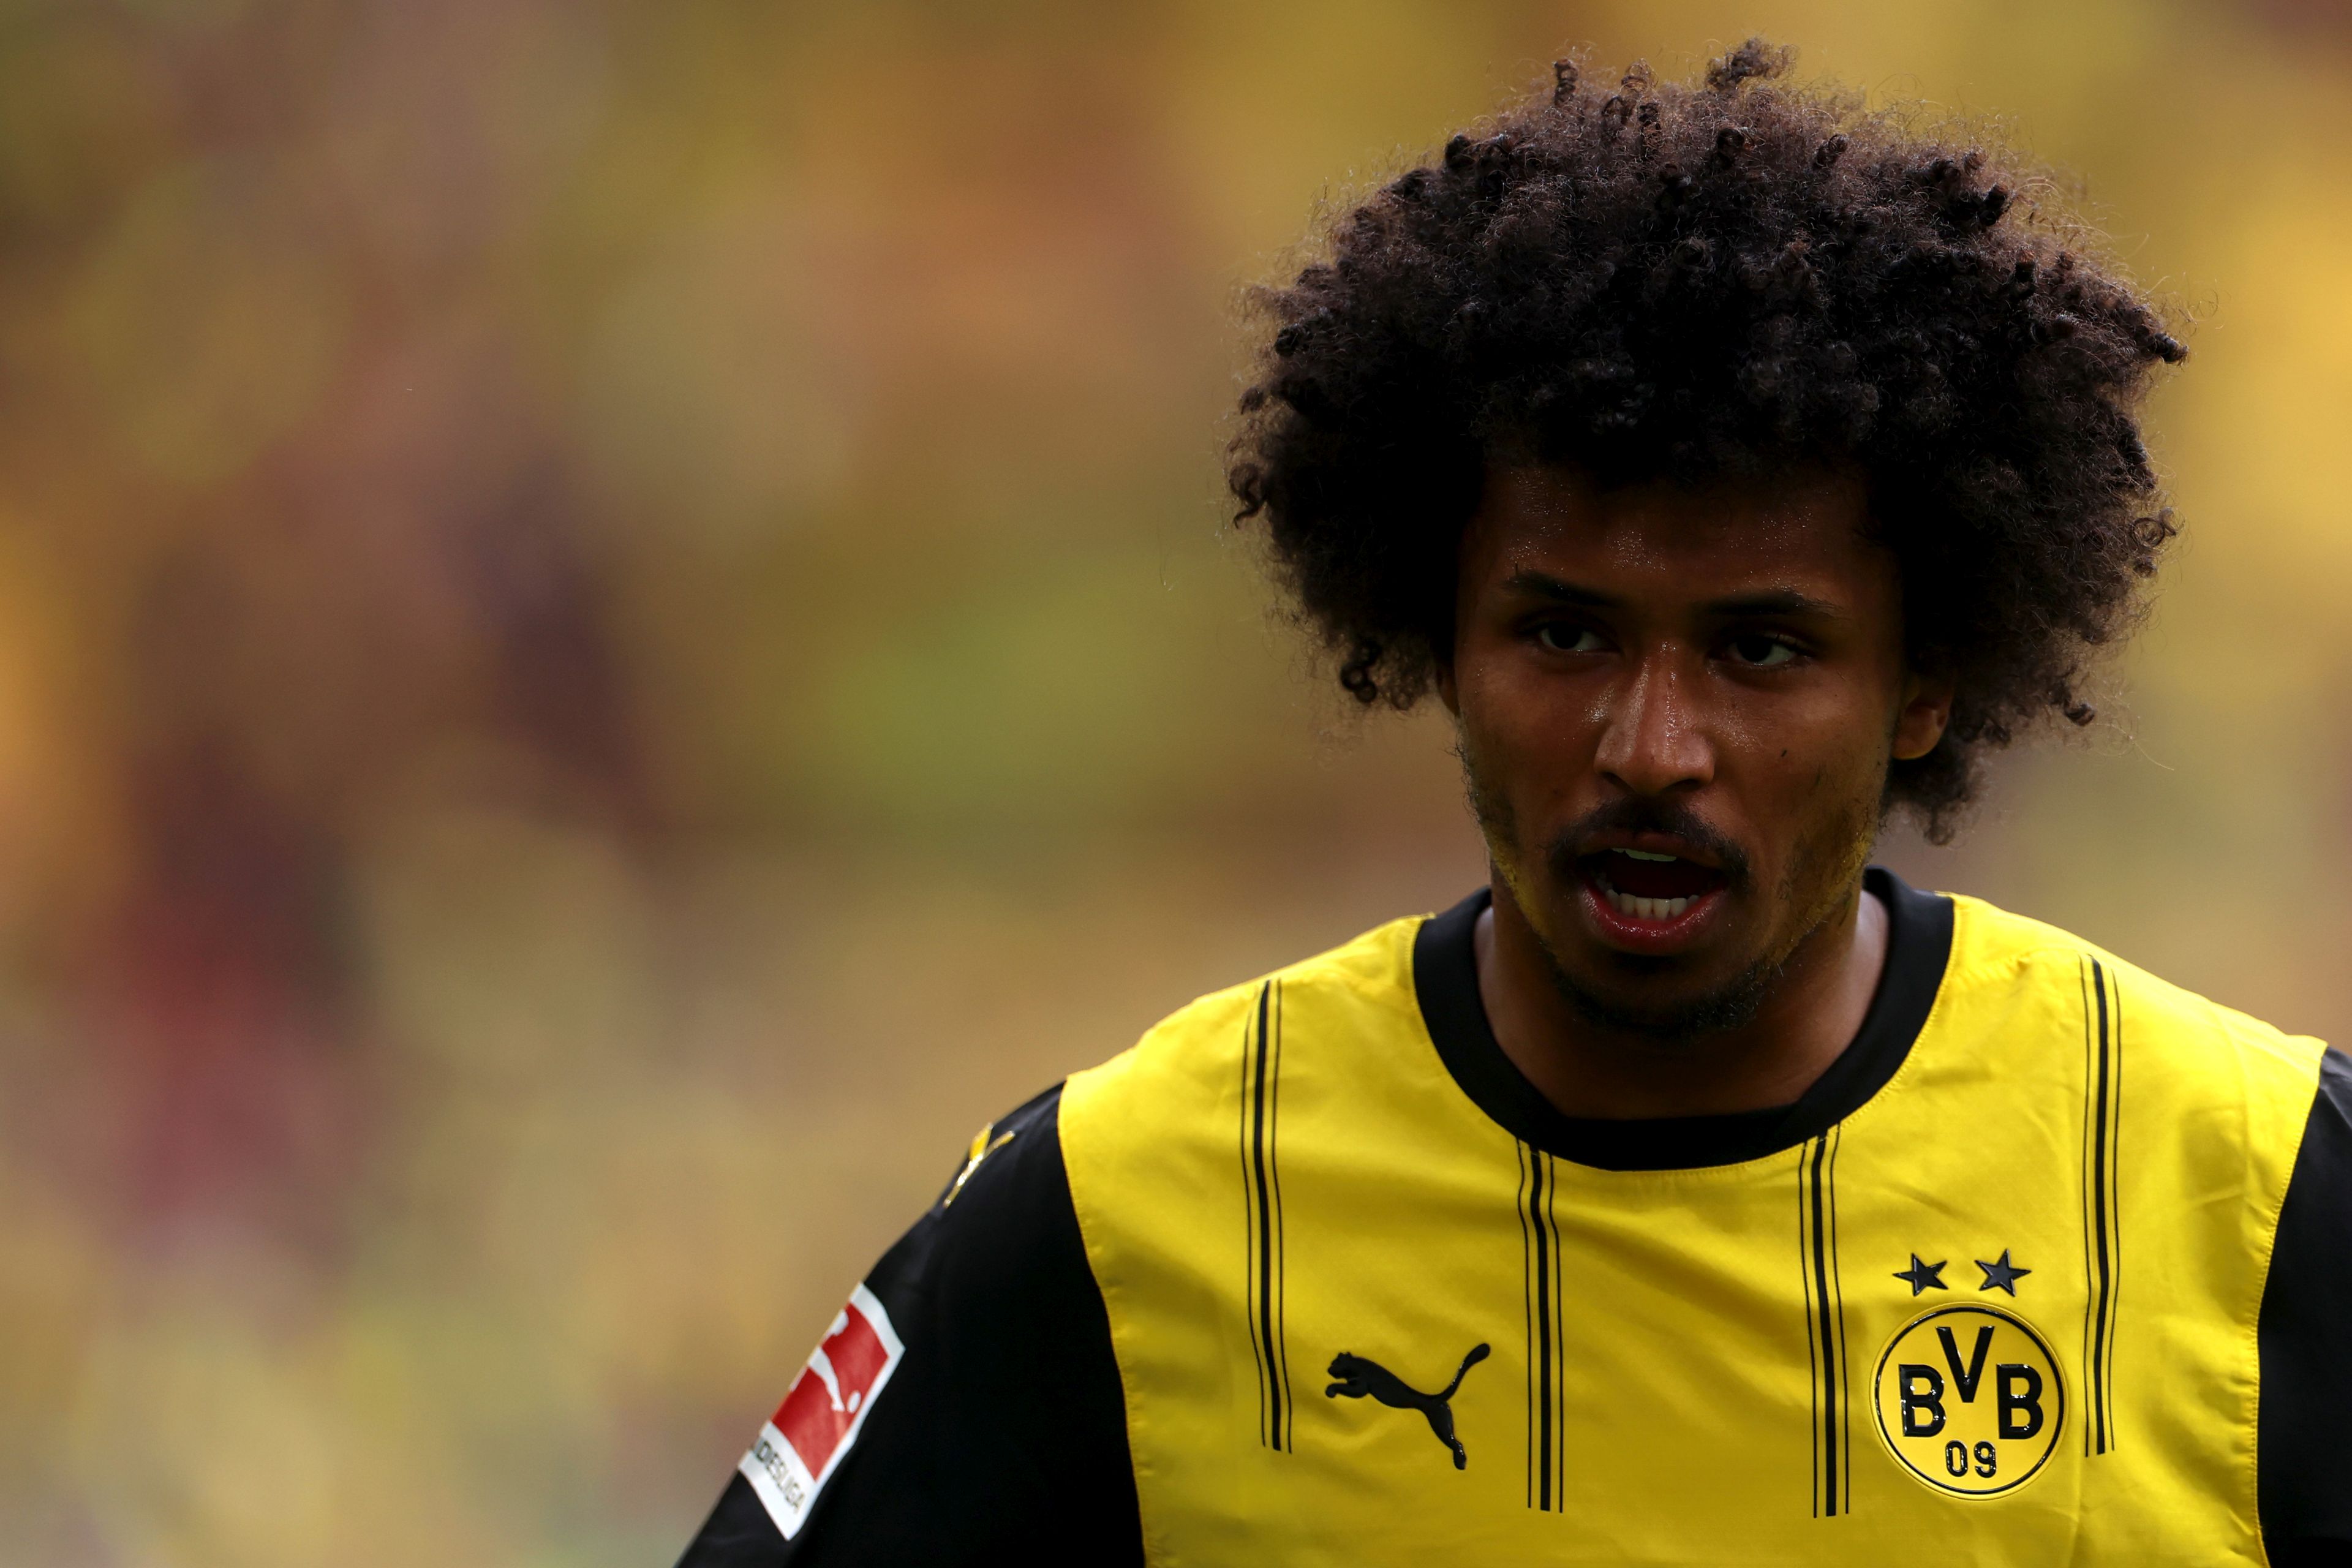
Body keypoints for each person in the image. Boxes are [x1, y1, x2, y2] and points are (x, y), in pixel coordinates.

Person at [676, 40, 2351, 1566]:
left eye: (1761, 649)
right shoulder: (1129, 1212)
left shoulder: (2262, 1190)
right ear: (1438, 636)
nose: (1651, 745)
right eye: (1565, 633)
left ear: (1926, 684)